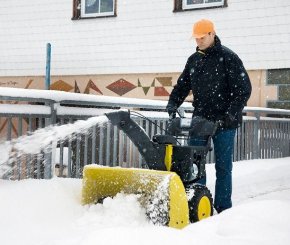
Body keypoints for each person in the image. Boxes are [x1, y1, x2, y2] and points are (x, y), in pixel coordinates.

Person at [166, 19, 252, 213]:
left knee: (223, 167)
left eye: (202, 37)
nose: (198, 41)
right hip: (200, 119)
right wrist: (173, 103)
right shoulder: (194, 59)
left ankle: (223, 208)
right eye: (196, 38)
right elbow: (182, 85)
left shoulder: (229, 58)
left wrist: (231, 114)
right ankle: (196, 203)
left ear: (212, 34)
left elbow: (243, 90)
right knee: (194, 164)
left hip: (225, 122)